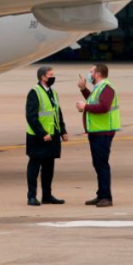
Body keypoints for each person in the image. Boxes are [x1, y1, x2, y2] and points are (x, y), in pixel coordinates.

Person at [76, 63, 120, 207]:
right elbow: (93, 101)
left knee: (102, 164)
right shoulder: (99, 88)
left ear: (98, 74)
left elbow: (104, 107)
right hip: (96, 131)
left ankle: (106, 197)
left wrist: (85, 107)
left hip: (103, 132)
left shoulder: (106, 88)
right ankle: (101, 194)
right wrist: (83, 89)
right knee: (98, 164)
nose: (89, 74)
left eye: (91, 72)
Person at [25, 65, 68, 206]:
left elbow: (57, 113)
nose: (53, 77)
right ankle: (31, 196)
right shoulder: (34, 92)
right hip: (38, 137)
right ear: (43, 77)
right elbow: (31, 117)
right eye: (50, 75)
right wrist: (42, 133)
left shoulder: (53, 93)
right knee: (35, 166)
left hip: (52, 136)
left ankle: (47, 196)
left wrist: (62, 131)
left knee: (49, 167)